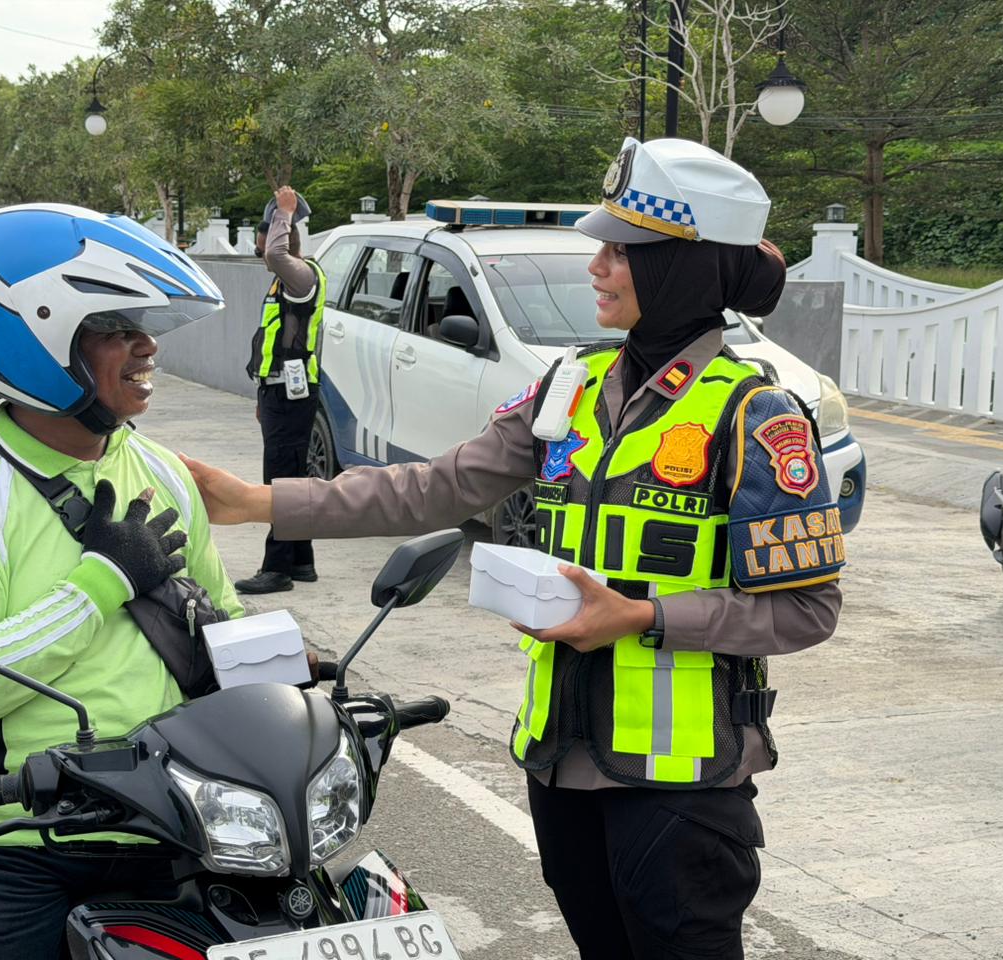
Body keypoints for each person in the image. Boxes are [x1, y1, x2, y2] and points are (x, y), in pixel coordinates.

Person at [182, 138, 845, 959]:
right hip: (561, 765)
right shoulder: (572, 385)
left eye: (622, 251)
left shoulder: (756, 413)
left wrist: (641, 616)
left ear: (685, 266)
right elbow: (436, 486)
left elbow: (808, 609)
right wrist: (262, 501)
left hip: (681, 789)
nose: (597, 266)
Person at [0, 203, 243, 960]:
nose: (147, 344)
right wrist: (100, 583)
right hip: (6, 842)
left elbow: (223, 622)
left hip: (166, 820)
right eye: (116, 325)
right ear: (36, 339)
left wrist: (284, 669)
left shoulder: (159, 472)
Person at [233, 185, 325, 594]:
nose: (263, 257)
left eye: (265, 247)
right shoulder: (280, 284)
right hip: (278, 394)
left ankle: (277, 569)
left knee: (281, 484)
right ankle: (301, 560)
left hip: (293, 397)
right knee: (292, 478)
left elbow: (276, 253)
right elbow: (268, 342)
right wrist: (260, 397)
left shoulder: (302, 276)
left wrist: (284, 211)